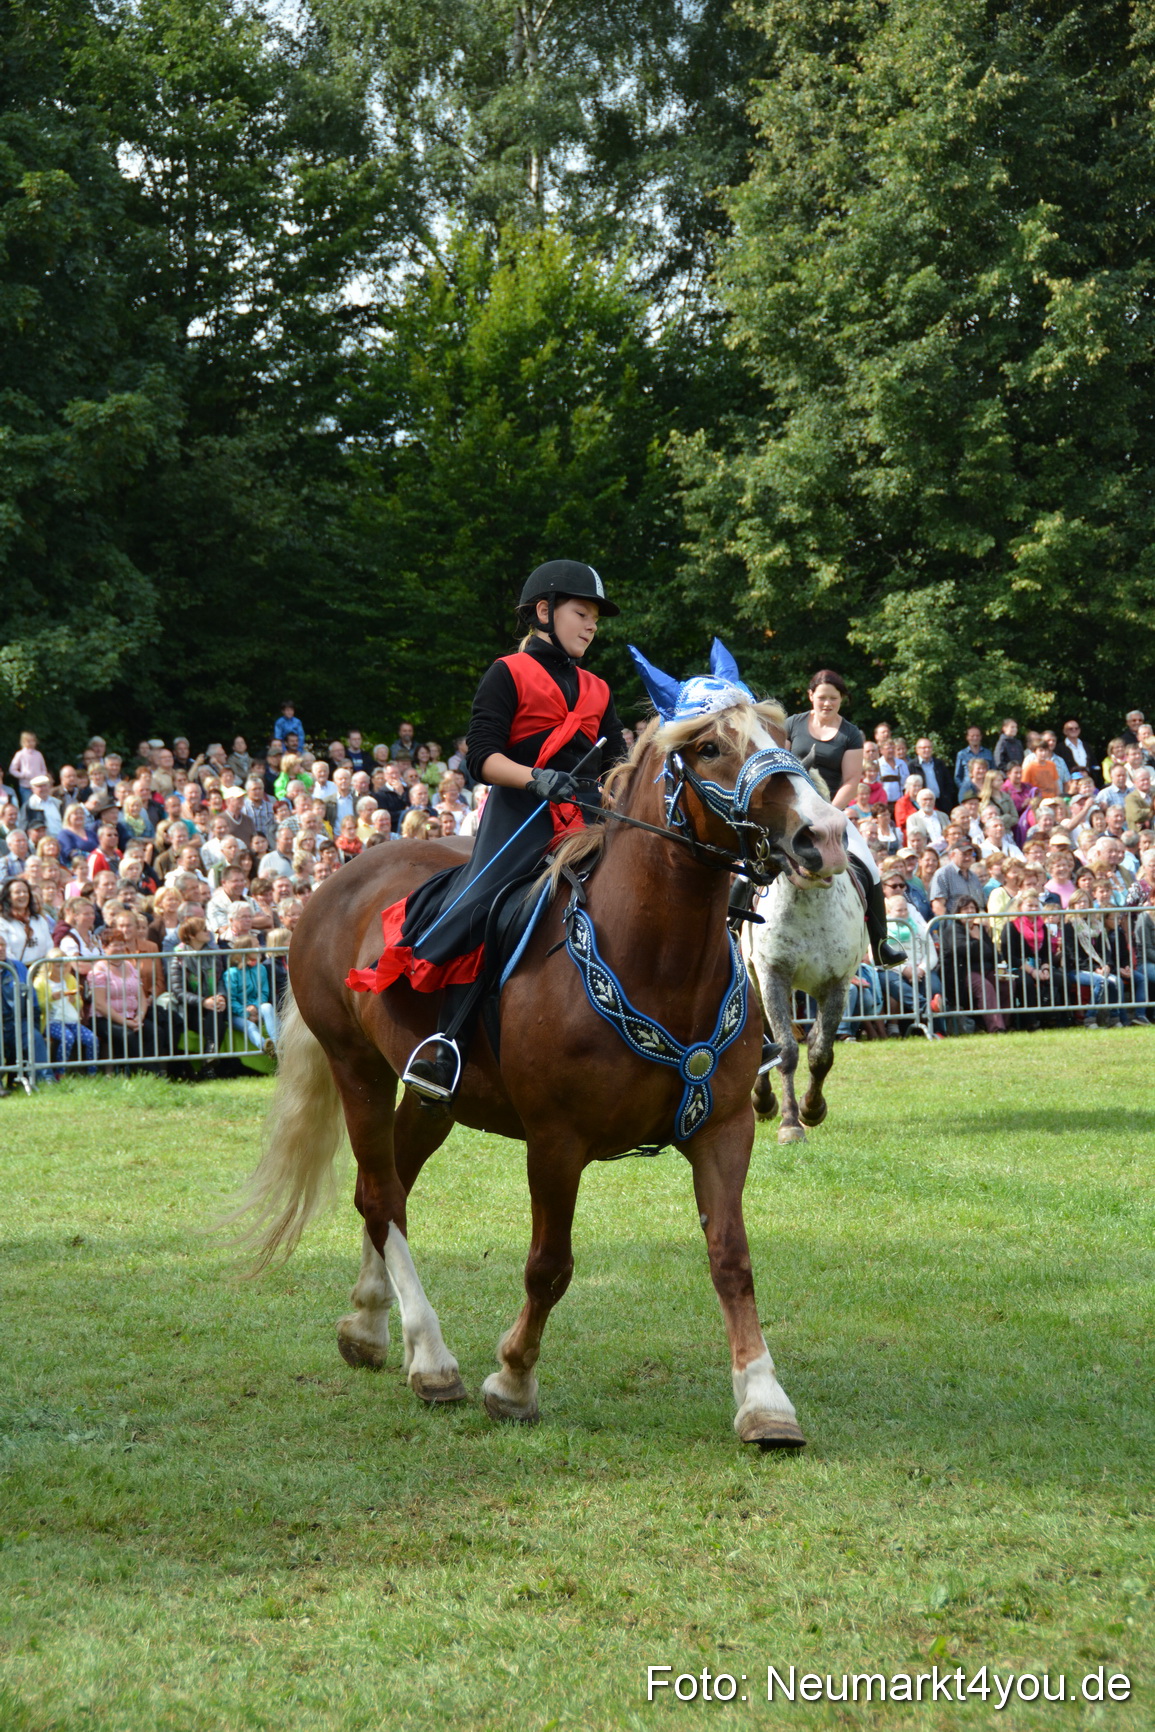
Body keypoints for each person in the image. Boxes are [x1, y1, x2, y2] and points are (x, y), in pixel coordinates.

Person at [350, 560, 627, 1104]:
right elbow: (481, 758)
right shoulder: (508, 673)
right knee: (486, 909)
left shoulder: (598, 687)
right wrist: (536, 778)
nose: (591, 625)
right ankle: (445, 1042)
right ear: (544, 612)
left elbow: (619, 760)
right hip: (522, 819)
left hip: (591, 819)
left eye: (595, 617)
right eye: (581, 612)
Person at [785, 670, 906, 969]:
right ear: (811, 695)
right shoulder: (792, 724)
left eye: (834, 699)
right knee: (756, 859)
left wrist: (829, 812)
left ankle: (881, 944)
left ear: (842, 700)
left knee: (869, 866)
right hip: (791, 809)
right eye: (822, 697)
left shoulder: (851, 734)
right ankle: (734, 924)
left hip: (832, 809)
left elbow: (851, 781)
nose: (827, 703)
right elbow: (781, 768)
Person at [223, 936, 278, 1052]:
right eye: (256, 945)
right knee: (250, 1026)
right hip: (237, 1014)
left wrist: (255, 1007)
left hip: (256, 1008)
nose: (260, 948)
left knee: (267, 1006)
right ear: (246, 949)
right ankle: (266, 1047)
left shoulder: (261, 968)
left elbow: (264, 993)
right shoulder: (231, 973)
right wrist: (246, 1013)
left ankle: (278, 1043)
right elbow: (231, 1000)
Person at [0, 877, 55, 966]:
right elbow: (6, 952)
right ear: (8, 897)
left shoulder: (39, 920)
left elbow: (49, 946)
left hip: (42, 972)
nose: (22, 895)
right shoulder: (2, 922)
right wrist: (21, 970)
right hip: (16, 973)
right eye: (17, 892)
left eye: (25, 892)